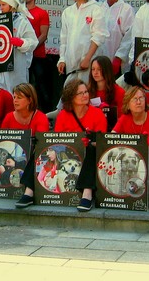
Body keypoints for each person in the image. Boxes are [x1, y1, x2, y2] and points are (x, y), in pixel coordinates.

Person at [54, 79, 107, 211]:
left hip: (91, 157)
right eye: (80, 93)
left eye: (86, 92)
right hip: (70, 154)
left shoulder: (97, 114)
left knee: (91, 146)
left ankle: (87, 193)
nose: (85, 95)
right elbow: (57, 141)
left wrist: (89, 142)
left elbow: (102, 142)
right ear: (71, 97)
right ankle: (29, 191)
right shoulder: (63, 115)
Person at [0, 83, 51, 209]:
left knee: (38, 154)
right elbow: (2, 142)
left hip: (34, 158)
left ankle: (28, 193)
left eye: (19, 97)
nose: (15, 101)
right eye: (14, 97)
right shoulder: (8, 117)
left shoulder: (40, 117)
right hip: (14, 159)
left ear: (30, 100)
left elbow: (42, 144)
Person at [57, 0, 109, 87]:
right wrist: (62, 59)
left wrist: (87, 59)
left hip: (90, 64)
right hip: (72, 67)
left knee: (88, 93)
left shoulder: (95, 9)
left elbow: (98, 36)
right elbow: (64, 38)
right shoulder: (68, 12)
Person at [97, 0, 135, 77]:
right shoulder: (99, 8)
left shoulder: (126, 9)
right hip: (100, 61)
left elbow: (129, 36)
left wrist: (119, 58)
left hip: (118, 63)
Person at [24, 0, 52, 111]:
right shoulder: (19, 13)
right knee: (24, 87)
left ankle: (47, 115)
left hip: (38, 56)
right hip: (23, 57)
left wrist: (31, 47)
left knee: (42, 87)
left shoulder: (42, 13)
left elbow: (44, 35)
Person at [86, 56, 125, 130]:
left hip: (113, 131)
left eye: (99, 69)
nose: (95, 72)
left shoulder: (119, 91)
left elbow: (123, 117)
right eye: (93, 69)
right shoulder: (87, 91)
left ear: (107, 70)